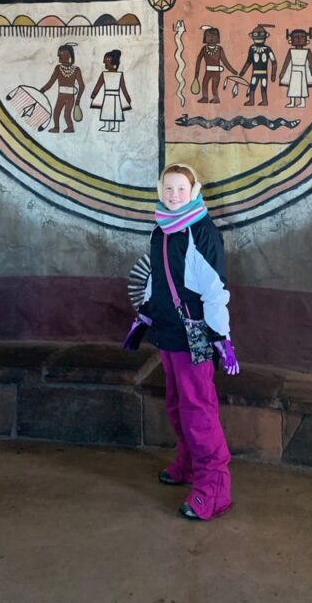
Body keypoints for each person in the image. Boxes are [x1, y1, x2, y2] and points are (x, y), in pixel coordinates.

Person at [124, 163, 239, 521]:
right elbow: (158, 277)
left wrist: (222, 336)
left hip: (195, 335)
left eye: (181, 189)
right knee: (177, 403)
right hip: (168, 331)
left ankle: (215, 487)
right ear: (160, 190)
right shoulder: (162, 228)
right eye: (168, 188)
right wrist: (145, 313)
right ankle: (188, 464)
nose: (174, 195)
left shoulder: (202, 231)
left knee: (198, 409)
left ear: (194, 190)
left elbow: (215, 289)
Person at [39, 44, 85, 133]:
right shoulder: (58, 68)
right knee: (56, 113)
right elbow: (51, 82)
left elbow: (82, 86)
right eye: (59, 54)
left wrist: (78, 100)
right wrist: (43, 90)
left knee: (66, 114)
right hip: (61, 96)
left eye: (61, 54)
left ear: (69, 55)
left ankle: (70, 127)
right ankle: (56, 127)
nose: (59, 56)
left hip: (70, 97)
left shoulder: (76, 69)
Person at [90, 49, 131, 132]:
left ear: (114, 64)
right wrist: (94, 93)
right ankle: (106, 125)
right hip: (107, 96)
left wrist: (127, 97)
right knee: (106, 111)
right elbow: (98, 85)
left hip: (116, 96)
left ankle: (116, 127)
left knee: (117, 112)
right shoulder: (104, 74)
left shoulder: (120, 75)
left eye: (107, 63)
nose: (105, 64)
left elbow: (123, 88)